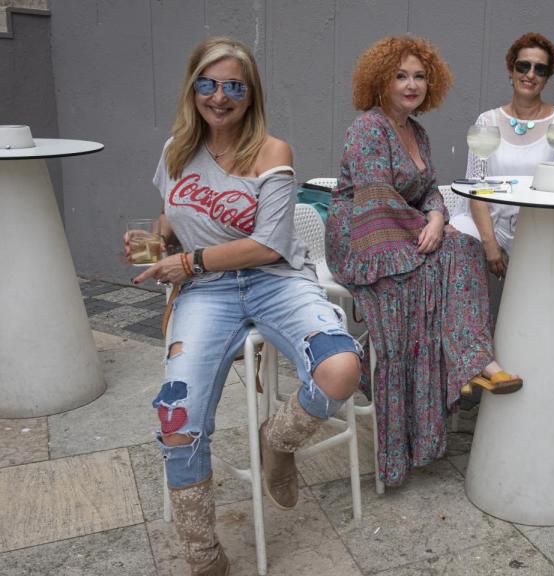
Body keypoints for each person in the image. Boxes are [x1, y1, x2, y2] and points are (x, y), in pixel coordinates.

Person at [133, 37, 362, 576]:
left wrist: (188, 263)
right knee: (177, 420)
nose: (219, 96)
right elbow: (171, 225)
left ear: (250, 93)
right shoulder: (175, 152)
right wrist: (151, 246)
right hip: (208, 293)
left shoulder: (271, 151)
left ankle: (276, 442)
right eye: (208, 83)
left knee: (341, 367)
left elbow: (270, 244)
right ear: (193, 88)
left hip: (274, 280)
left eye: (233, 85)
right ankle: (203, 555)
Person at [326, 36, 522, 488]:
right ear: (381, 81)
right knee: (437, 269)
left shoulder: (417, 132)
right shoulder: (368, 129)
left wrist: (436, 215)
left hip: (405, 227)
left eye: (418, 76)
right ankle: (459, 362)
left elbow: (430, 188)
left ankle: (474, 360)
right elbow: (376, 199)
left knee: (463, 248)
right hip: (362, 235)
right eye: (400, 76)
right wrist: (427, 226)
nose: (411, 84)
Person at [452, 32, 554, 280]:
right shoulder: (487, 122)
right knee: (455, 244)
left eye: (540, 69)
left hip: (540, 226)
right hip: (489, 223)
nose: (530, 74)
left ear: (547, 77)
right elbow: (474, 188)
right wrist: (489, 242)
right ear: (511, 70)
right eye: (523, 66)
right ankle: (469, 319)